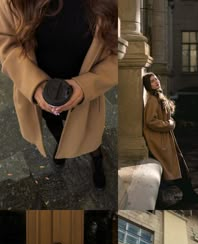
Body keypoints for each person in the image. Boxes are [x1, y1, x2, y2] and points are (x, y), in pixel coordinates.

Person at [0, 0, 118, 189]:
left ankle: (97, 159)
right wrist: (35, 86)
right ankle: (61, 145)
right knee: (52, 122)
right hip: (40, 94)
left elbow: (118, 55)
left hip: (86, 96)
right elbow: (7, 43)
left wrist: (85, 87)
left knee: (90, 135)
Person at [143, 73, 198, 205]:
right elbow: (150, 121)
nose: (156, 82)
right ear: (148, 85)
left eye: (156, 79)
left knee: (180, 166)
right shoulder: (152, 100)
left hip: (166, 138)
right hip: (160, 141)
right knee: (177, 168)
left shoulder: (158, 97)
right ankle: (188, 195)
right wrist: (169, 124)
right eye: (152, 81)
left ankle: (189, 194)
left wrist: (169, 122)